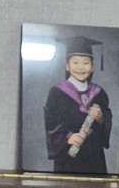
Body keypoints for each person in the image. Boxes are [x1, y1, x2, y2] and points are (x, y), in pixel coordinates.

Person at [43, 38, 113, 175]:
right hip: (68, 154)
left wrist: (101, 118)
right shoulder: (57, 92)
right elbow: (51, 122)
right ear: (67, 66)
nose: (80, 67)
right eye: (75, 62)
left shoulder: (99, 93)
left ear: (92, 67)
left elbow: (107, 118)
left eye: (86, 63)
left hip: (94, 155)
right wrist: (67, 137)